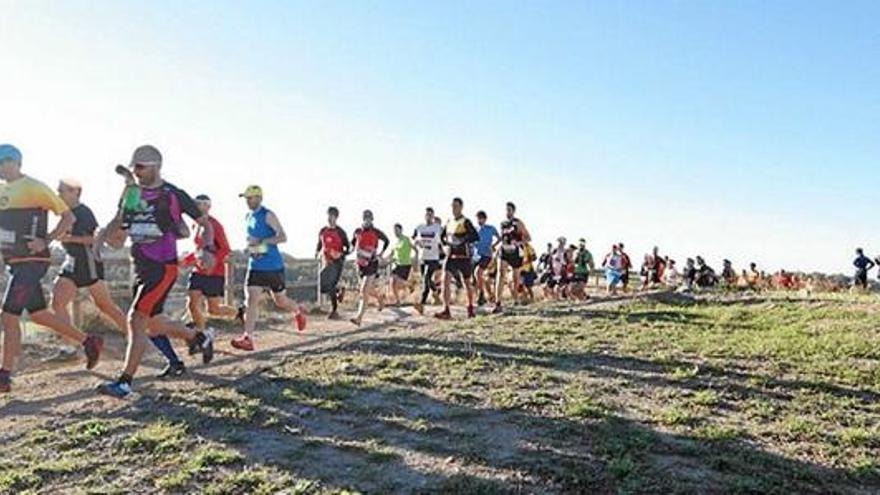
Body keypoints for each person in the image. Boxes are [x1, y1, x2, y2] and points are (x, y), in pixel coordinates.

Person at [95, 145, 213, 397]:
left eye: (140, 167)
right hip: (140, 264)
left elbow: (204, 224)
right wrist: (101, 238)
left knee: (135, 320)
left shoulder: (173, 194)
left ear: (156, 166)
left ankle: (125, 382)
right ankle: (198, 338)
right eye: (133, 167)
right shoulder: (133, 192)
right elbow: (120, 220)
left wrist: (206, 248)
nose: (136, 172)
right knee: (154, 323)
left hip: (162, 266)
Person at [0, 147, 103, 394]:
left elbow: (68, 218)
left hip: (32, 261)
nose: (1, 166)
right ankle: (89, 342)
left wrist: (45, 241)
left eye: (5, 161)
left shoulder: (35, 187)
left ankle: (4, 376)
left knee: (9, 315)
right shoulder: (2, 191)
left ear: (17, 163)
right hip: (14, 262)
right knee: (38, 315)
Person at [50, 178, 127, 352]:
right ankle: (69, 348)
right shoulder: (66, 212)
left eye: (62, 190)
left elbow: (95, 238)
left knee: (105, 305)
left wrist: (69, 239)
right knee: (58, 303)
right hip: (71, 262)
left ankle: (136, 337)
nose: (58, 194)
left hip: (88, 262)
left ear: (75, 192)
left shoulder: (84, 213)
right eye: (58, 190)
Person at [231, 185, 304, 352]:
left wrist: (262, 242)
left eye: (250, 198)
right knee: (251, 299)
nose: (247, 201)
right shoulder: (247, 216)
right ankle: (248, 338)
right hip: (255, 265)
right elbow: (252, 240)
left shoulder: (268, 215)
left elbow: (283, 237)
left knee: (280, 301)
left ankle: (298, 312)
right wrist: (250, 248)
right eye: (246, 198)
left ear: (259, 198)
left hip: (273, 266)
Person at [181, 195, 237, 335]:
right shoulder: (195, 225)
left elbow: (225, 249)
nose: (197, 207)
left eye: (200, 204)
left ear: (208, 206)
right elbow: (198, 249)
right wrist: (186, 260)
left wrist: (211, 261)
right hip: (198, 271)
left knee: (213, 309)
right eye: (195, 204)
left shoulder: (216, 225)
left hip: (214, 272)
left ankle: (239, 312)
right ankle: (201, 333)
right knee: (192, 303)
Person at [436, 197, 479, 319]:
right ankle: (446, 310)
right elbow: (442, 237)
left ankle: (470, 308)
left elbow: (475, 237)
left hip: (464, 256)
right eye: (452, 206)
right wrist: (445, 247)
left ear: (461, 207)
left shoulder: (466, 221)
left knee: (466, 283)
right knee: (445, 280)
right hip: (451, 257)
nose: (453, 208)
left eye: (456, 206)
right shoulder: (449, 222)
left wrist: (461, 241)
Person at [350, 210, 389, 326]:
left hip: (372, 263)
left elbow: (387, 240)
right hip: (360, 264)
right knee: (367, 290)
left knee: (363, 290)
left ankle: (359, 317)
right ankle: (380, 298)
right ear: (362, 219)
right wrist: (350, 251)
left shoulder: (376, 231)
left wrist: (380, 253)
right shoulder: (357, 231)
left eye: (369, 218)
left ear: (372, 219)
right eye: (365, 218)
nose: (367, 220)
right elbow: (352, 243)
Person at [493, 202, 531, 313]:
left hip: (515, 252)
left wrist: (518, 242)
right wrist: (495, 245)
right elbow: (503, 237)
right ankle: (497, 302)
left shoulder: (518, 223)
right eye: (506, 210)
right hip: (504, 250)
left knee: (515, 278)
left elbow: (528, 237)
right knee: (500, 274)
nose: (507, 212)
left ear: (513, 211)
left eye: (509, 210)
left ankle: (516, 299)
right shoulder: (503, 223)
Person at [316, 206, 350, 319]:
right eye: (328, 215)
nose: (330, 218)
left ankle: (334, 310)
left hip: (337, 262)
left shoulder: (340, 232)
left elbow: (348, 248)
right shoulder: (323, 231)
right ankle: (339, 291)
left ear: (336, 217)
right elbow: (319, 244)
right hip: (326, 261)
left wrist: (340, 253)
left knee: (329, 285)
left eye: (332, 216)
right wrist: (317, 253)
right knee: (321, 286)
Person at [412, 207, 442, 315]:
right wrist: (416, 244)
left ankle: (421, 303)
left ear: (433, 216)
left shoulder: (437, 227)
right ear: (425, 216)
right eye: (427, 215)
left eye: (430, 215)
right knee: (427, 280)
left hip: (434, 258)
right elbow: (414, 238)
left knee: (426, 278)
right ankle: (436, 292)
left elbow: (444, 239)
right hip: (423, 257)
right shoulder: (419, 227)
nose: (429, 217)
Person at [473, 211, 499, 306]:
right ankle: (482, 297)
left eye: (481, 218)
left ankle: (482, 294)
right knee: (475, 278)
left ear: (485, 219)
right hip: (476, 255)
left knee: (478, 272)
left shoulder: (490, 228)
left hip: (487, 255)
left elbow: (500, 237)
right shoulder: (475, 229)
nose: (479, 220)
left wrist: (493, 245)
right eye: (478, 218)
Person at [389, 223, 414, 305]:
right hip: (397, 264)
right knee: (392, 282)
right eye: (394, 230)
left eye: (397, 230)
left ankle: (409, 285)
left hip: (405, 264)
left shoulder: (406, 239)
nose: (395, 232)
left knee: (399, 281)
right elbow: (392, 253)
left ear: (401, 230)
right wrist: (382, 258)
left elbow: (414, 248)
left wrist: (416, 258)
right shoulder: (395, 242)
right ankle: (398, 300)